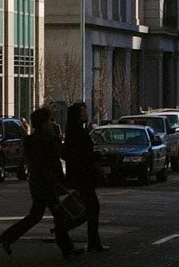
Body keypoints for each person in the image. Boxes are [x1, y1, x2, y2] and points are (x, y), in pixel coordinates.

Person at [0, 106, 82, 259]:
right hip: (47, 183)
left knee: (37, 215)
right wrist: (57, 182)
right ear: (43, 123)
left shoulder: (36, 140)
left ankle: (7, 237)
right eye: (49, 121)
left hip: (40, 183)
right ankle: (67, 249)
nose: (51, 123)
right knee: (57, 215)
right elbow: (50, 161)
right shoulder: (43, 140)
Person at [64, 103, 105, 253]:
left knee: (89, 208)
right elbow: (81, 154)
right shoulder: (77, 133)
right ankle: (65, 229)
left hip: (80, 176)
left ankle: (93, 241)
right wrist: (97, 155)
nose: (86, 114)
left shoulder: (76, 132)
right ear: (77, 115)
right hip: (83, 176)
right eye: (83, 112)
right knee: (91, 208)